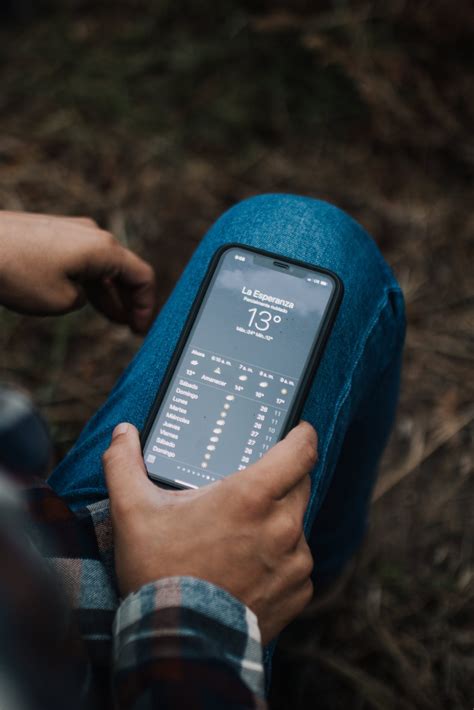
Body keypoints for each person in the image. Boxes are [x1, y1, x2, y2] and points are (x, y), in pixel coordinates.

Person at [0, 196, 405, 709]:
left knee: (289, 232)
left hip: (36, 530)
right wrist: (199, 598)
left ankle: (294, 578)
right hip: (114, 643)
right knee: (316, 241)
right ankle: (303, 584)